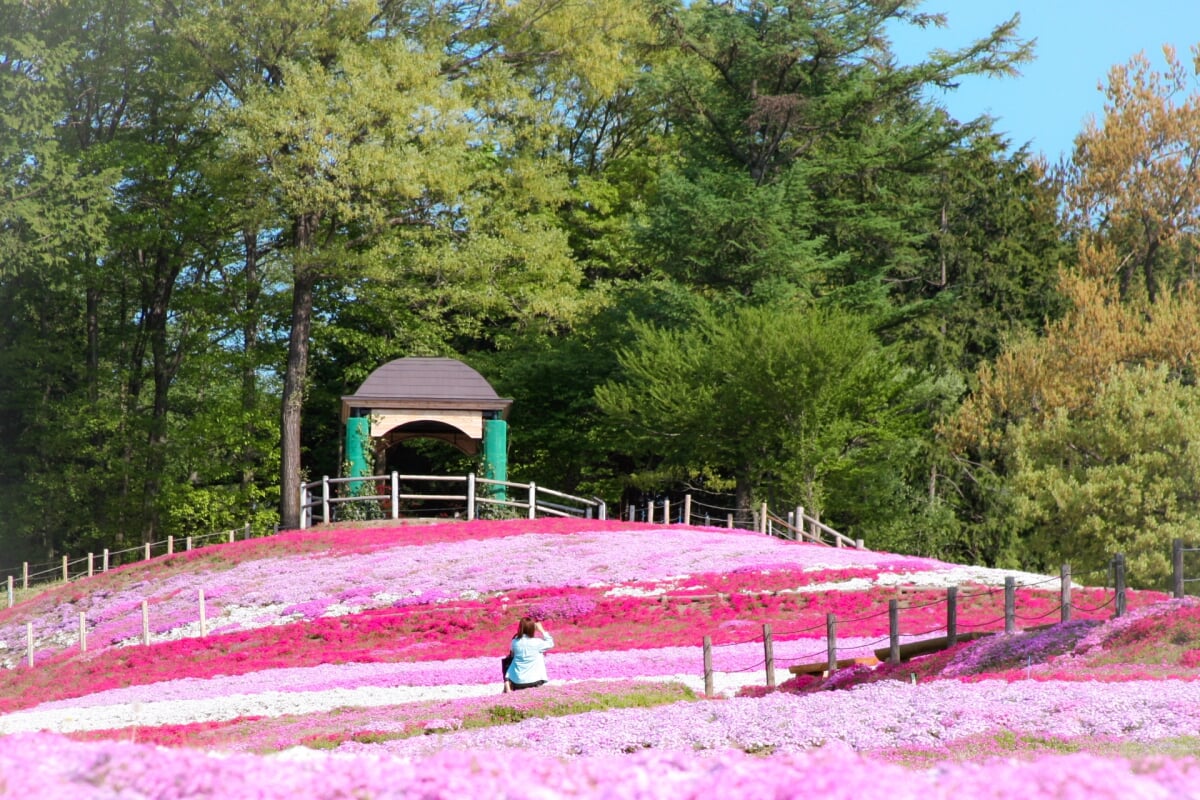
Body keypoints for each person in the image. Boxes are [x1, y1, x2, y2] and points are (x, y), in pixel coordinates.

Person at [503, 616, 553, 692]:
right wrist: (542, 630)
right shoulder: (537, 642)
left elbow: (512, 654)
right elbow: (550, 643)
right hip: (535, 680)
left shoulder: (515, 642)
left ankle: (507, 687)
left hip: (517, 681)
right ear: (533, 628)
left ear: (520, 627)